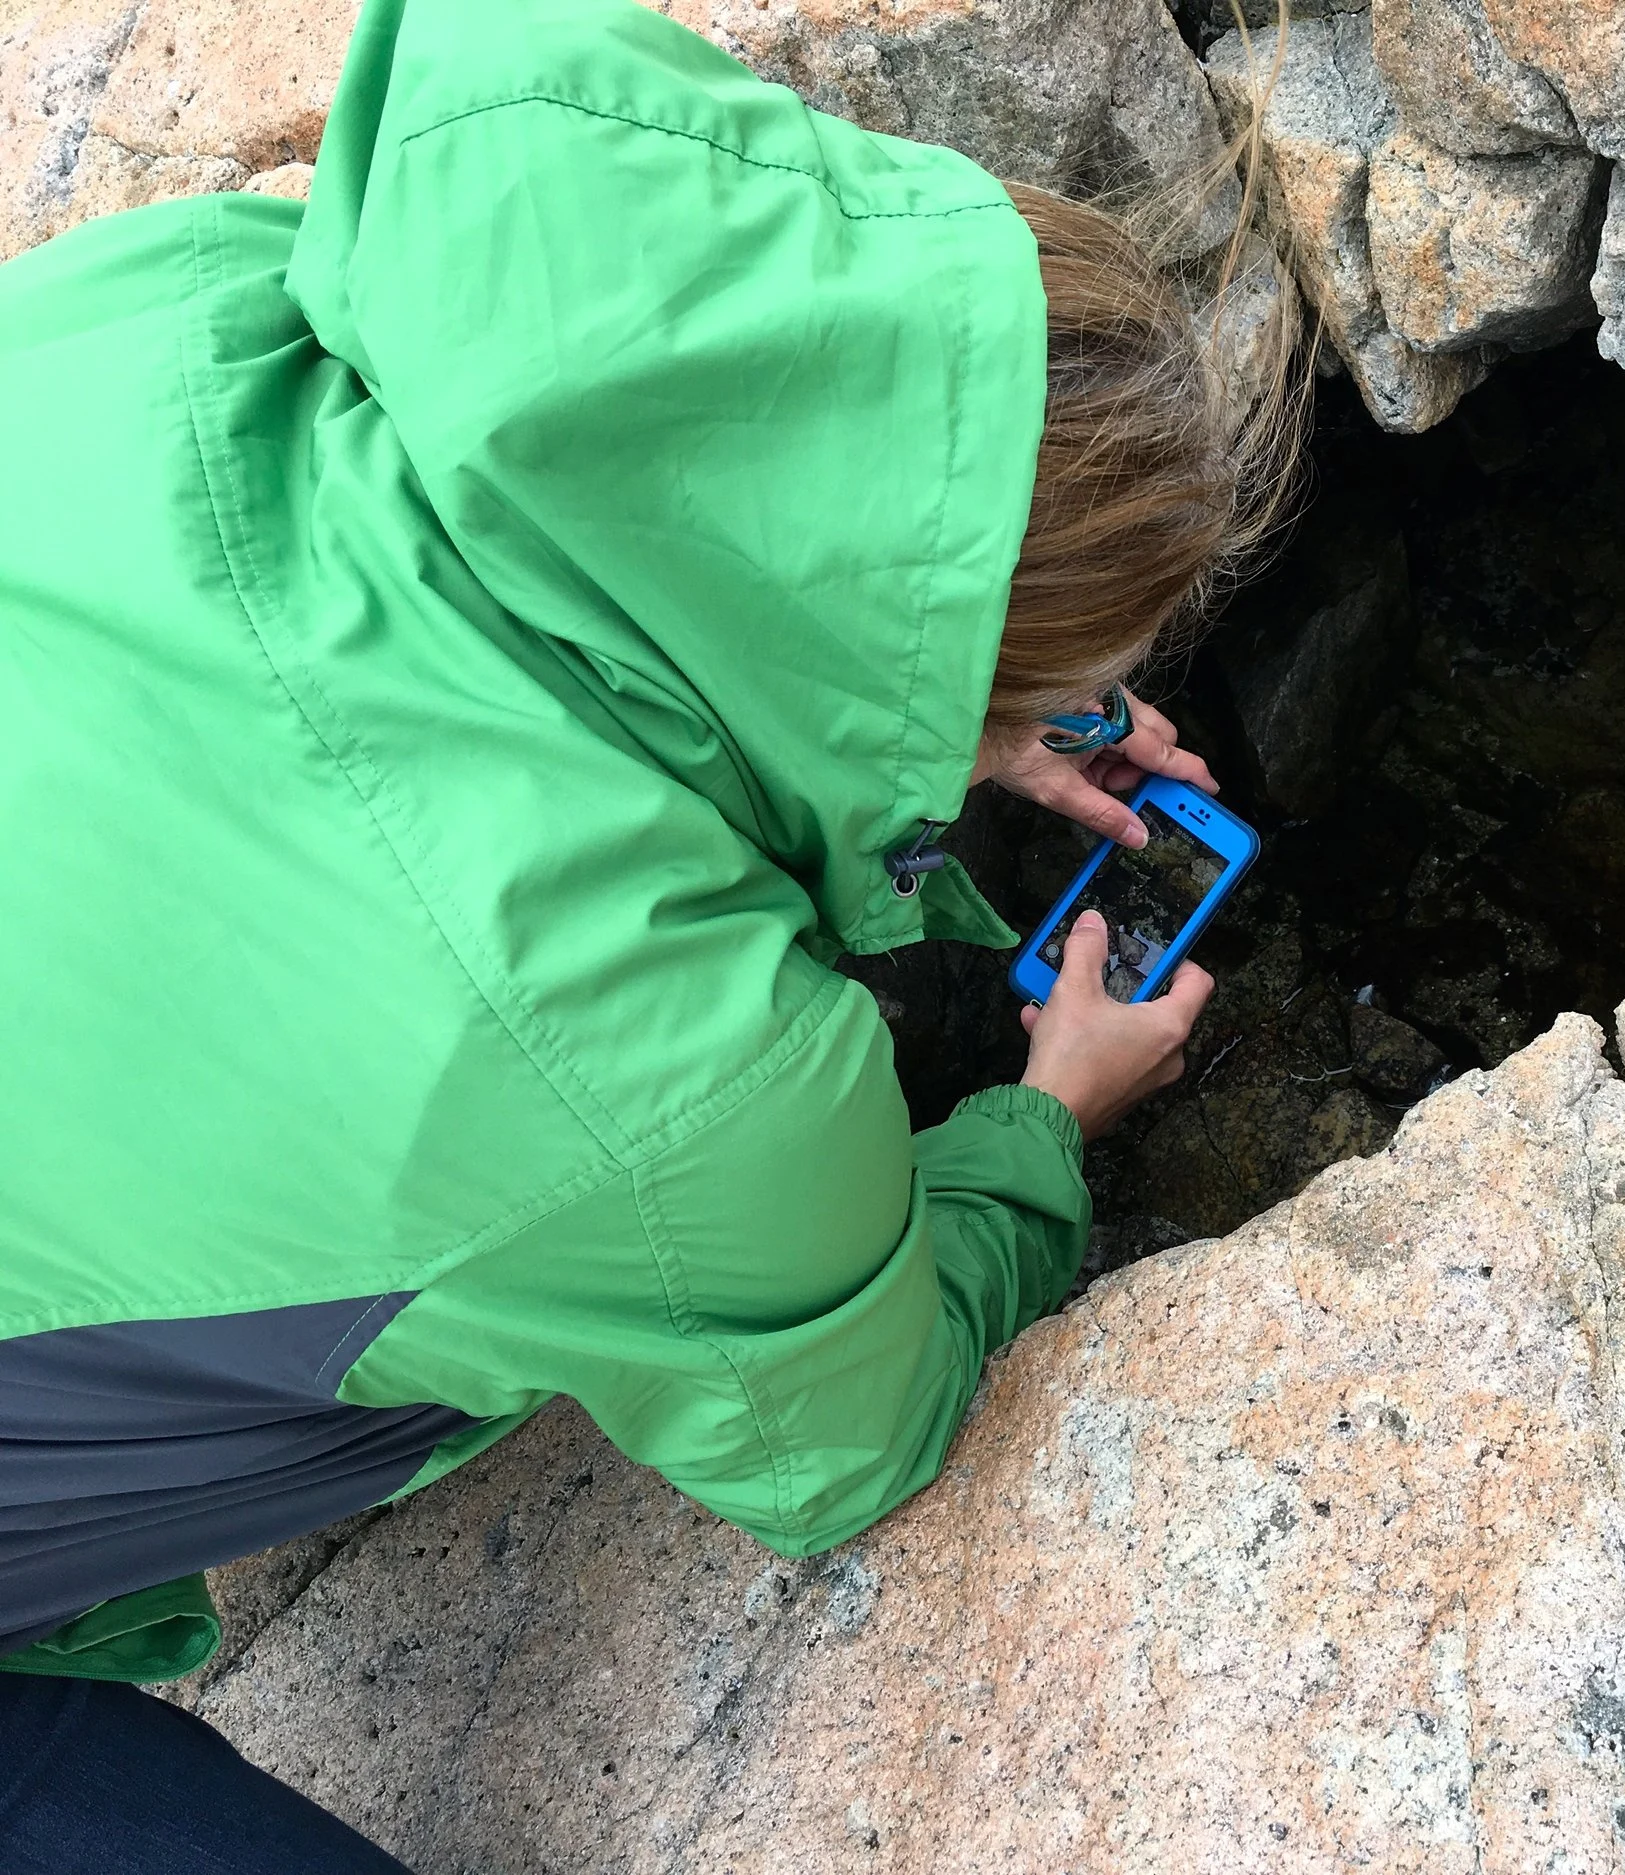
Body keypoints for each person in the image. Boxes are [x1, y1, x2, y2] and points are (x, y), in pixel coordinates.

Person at [0, 0, 1296, 1864]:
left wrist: (947, 703)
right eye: (1068, 681)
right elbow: (846, 1438)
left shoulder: (182, 295)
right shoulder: (680, 1084)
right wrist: (1044, 1118)